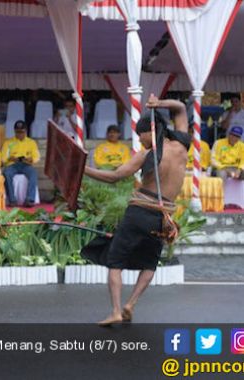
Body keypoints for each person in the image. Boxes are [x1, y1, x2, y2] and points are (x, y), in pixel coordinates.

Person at [81, 94, 190, 326]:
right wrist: (159, 104)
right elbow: (180, 107)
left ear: (150, 130)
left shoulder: (146, 155)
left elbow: (113, 177)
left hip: (140, 213)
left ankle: (116, 310)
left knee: (115, 262)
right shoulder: (182, 146)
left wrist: (83, 169)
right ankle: (132, 303)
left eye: (141, 137)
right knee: (149, 263)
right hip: (163, 219)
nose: (141, 142)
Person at [2, 120, 40, 207]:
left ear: (26, 131)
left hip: (26, 164)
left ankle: (30, 199)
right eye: (17, 132)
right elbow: (3, 158)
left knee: (33, 173)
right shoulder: (8, 142)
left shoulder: (31, 142)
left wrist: (31, 159)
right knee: (6, 173)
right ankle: (12, 200)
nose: (20, 134)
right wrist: (10, 158)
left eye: (22, 132)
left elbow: (36, 157)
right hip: (12, 165)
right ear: (14, 131)